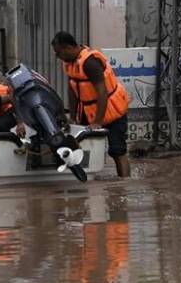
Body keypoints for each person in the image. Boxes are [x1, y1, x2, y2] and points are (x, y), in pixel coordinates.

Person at [51, 31, 131, 178]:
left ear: (68, 47)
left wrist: (98, 122)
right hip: (89, 112)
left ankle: (124, 185)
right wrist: (73, 117)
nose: (58, 57)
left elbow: (102, 93)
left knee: (117, 151)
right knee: (80, 148)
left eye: (59, 53)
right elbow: (72, 88)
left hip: (112, 112)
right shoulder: (69, 64)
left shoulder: (90, 63)